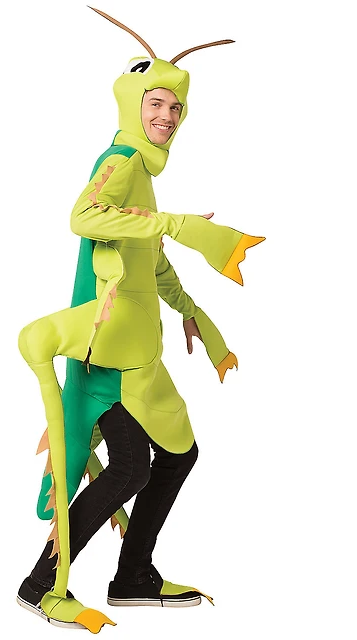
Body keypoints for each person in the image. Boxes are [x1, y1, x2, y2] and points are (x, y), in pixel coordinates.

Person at [15, 7, 264, 633]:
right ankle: (40, 584)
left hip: (142, 352)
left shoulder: (143, 178)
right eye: (156, 103)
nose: (167, 117)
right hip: (110, 355)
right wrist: (176, 223)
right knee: (130, 468)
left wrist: (190, 310)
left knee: (179, 455)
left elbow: (147, 258)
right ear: (133, 105)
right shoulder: (122, 159)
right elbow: (83, 216)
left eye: (176, 108)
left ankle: (133, 577)